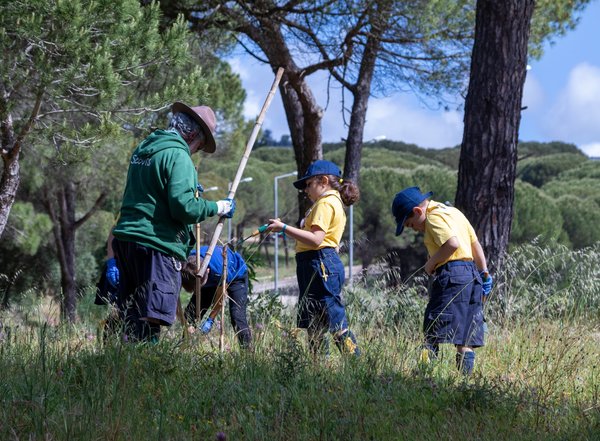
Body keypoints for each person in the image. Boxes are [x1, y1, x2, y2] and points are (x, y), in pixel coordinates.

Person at [111, 102, 236, 342]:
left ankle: (122, 371)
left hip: (128, 242)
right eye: (199, 146)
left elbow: (153, 192)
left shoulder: (144, 149)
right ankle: (144, 372)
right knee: (150, 321)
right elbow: (184, 208)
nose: (196, 151)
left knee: (132, 318)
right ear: (192, 135)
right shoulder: (179, 155)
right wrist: (217, 206)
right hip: (157, 245)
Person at [391, 186, 493, 375]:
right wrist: (484, 272)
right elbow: (474, 243)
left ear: (417, 211)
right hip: (472, 274)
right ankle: (465, 380)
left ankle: (422, 374)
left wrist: (430, 263)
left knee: (432, 327)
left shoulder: (433, 217)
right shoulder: (453, 212)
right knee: (465, 336)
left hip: (452, 274)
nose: (415, 229)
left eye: (411, 224)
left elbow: (452, 244)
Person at [267, 160, 361, 357]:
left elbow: (317, 239)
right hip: (316, 263)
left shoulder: (326, 204)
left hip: (319, 263)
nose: (306, 190)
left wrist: (283, 228)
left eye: (309, 184)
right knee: (314, 322)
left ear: (324, 181)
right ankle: (318, 366)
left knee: (334, 319)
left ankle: (356, 360)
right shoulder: (330, 203)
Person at [182, 245, 252, 349]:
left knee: (237, 316)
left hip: (236, 275)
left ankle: (248, 352)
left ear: (208, 271)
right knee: (191, 314)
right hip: (204, 278)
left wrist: (210, 319)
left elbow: (221, 298)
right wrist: (190, 325)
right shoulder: (186, 265)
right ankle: (185, 348)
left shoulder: (219, 270)